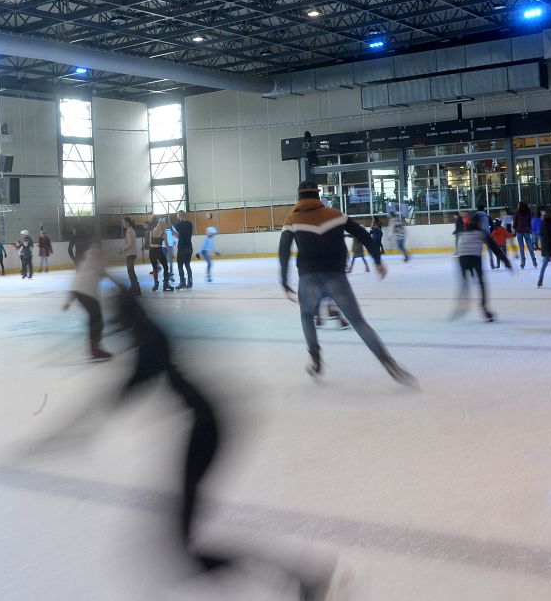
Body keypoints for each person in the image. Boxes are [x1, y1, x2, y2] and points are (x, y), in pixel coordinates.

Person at [26, 289, 336, 599]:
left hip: (206, 432)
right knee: (183, 545)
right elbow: (127, 389)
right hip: (204, 428)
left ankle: (302, 577)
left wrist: (68, 434)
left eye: (119, 321)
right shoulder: (152, 336)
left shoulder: (151, 344)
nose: (119, 330)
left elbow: (123, 391)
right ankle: (299, 577)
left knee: (184, 547)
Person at [279, 180, 417, 386]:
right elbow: (366, 236)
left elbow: (283, 252)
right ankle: (387, 360)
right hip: (336, 277)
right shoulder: (336, 215)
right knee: (359, 322)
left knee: (307, 316)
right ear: (318, 196)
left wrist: (284, 281)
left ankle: (315, 356)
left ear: (299, 198)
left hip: (309, 278)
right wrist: (377, 261)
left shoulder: (292, 219)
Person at [62, 235, 112, 360]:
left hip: (78, 291)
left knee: (93, 316)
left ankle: (94, 346)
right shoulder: (99, 256)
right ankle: (95, 347)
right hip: (88, 292)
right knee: (97, 317)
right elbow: (103, 273)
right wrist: (117, 284)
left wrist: (68, 301)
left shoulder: (85, 259)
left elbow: (77, 280)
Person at [452, 215, 510, 322]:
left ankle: (462, 305)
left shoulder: (463, 232)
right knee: (481, 283)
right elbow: (495, 249)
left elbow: (459, 245)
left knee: (465, 283)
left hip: (462, 259)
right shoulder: (481, 232)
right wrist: (506, 262)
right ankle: (484, 307)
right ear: (480, 223)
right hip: (474, 258)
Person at [147, 217, 173, 291]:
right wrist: (171, 253)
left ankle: (156, 284)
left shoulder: (151, 232)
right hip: (158, 251)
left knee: (155, 268)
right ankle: (166, 284)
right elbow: (167, 245)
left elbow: (149, 243)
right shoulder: (163, 233)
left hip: (151, 252)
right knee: (165, 267)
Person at [119, 216, 141, 295]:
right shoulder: (130, 230)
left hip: (131, 254)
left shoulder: (130, 231)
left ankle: (137, 289)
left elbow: (130, 243)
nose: (122, 224)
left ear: (127, 223)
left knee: (131, 272)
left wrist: (123, 249)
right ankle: (133, 287)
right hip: (130, 253)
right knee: (131, 272)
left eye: (123, 222)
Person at [173, 211, 195, 289]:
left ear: (180, 216)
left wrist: (173, 231)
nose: (177, 217)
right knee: (187, 265)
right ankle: (190, 282)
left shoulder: (178, 225)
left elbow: (178, 236)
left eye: (177, 215)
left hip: (182, 247)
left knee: (180, 265)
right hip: (189, 246)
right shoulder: (190, 224)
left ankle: (182, 282)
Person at [513, 201, 537, 269]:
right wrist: (530, 229)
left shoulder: (517, 213)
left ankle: (523, 261)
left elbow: (515, 222)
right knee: (530, 246)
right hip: (526, 231)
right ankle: (534, 260)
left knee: (521, 247)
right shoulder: (528, 212)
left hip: (519, 231)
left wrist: (514, 229)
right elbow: (530, 222)